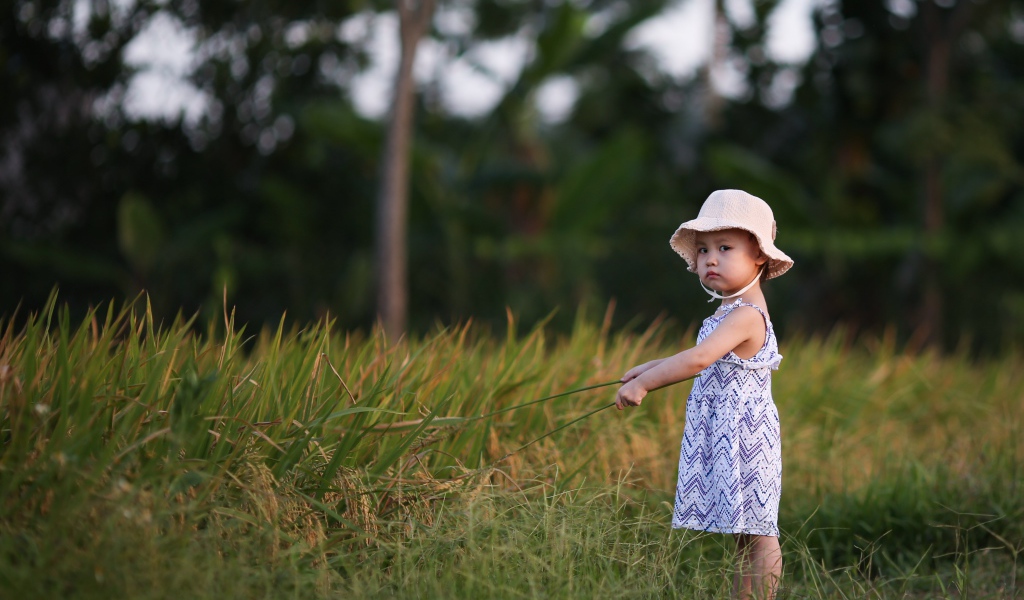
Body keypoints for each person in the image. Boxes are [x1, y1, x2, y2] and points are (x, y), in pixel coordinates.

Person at [614, 189, 793, 600]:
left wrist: (645, 384)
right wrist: (649, 366)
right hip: (729, 434)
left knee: (760, 534)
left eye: (725, 248)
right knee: (744, 536)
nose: (710, 259)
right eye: (704, 249)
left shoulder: (747, 314)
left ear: (759, 257)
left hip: (747, 438)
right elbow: (700, 354)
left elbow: (699, 359)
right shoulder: (727, 311)